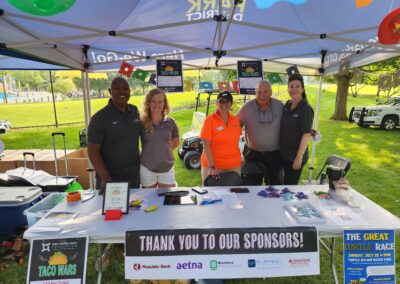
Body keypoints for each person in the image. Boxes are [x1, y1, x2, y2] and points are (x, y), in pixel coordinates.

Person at [87, 77, 141, 193]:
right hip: (110, 179)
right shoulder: (99, 118)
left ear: (130, 91)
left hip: (133, 177)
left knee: (136, 210)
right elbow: (92, 151)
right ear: (110, 91)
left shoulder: (134, 111)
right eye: (117, 88)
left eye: (125, 89)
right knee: (111, 211)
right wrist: (105, 177)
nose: (122, 92)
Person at [237, 80, 284, 185]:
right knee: (250, 187)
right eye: (259, 92)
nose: (262, 95)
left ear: (271, 92)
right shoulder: (246, 108)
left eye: (265, 92)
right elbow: (234, 128)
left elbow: (291, 123)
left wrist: (307, 130)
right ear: (255, 93)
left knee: (276, 187)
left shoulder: (280, 106)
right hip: (253, 155)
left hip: (275, 155)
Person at [139, 88, 180, 188]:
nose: (156, 105)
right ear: (148, 103)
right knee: (148, 200)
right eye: (153, 101)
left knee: (168, 200)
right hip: (147, 168)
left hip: (167, 167)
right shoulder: (141, 122)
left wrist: (163, 150)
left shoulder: (171, 122)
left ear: (164, 103)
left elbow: (176, 142)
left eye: (160, 102)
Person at [200, 91, 242, 183]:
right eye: (221, 102)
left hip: (234, 166)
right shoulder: (209, 120)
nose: (224, 104)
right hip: (214, 168)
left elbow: (235, 143)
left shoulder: (235, 120)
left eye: (227, 102)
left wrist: (240, 158)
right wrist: (212, 166)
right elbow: (206, 145)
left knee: (234, 195)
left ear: (231, 103)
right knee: (211, 196)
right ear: (217, 103)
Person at [280, 73, 314, 185]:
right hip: (284, 153)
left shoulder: (306, 109)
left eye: (297, 86)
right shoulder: (287, 105)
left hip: (295, 156)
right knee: (280, 185)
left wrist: (299, 157)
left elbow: (306, 134)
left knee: (289, 187)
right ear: (288, 88)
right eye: (291, 86)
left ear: (303, 89)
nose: (294, 89)